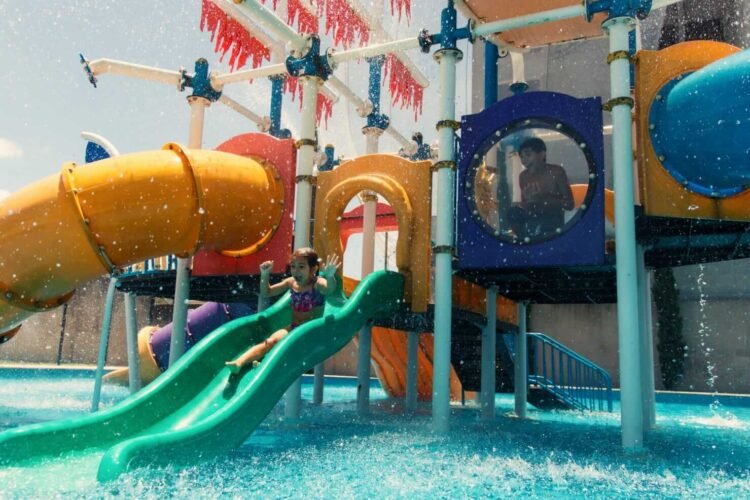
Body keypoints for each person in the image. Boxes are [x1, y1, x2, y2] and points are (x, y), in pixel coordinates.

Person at [225, 247, 340, 374]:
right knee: (270, 342)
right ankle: (239, 362)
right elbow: (267, 292)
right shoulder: (291, 283)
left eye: (301, 267)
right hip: (293, 328)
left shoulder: (317, 283)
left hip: (311, 331)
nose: (296, 271)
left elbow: (330, 289)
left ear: (313, 269)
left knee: (284, 348)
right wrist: (265, 274)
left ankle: (264, 363)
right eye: (293, 266)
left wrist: (330, 277)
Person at [508, 137, 575, 238]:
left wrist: (543, 200)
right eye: (521, 157)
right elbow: (527, 207)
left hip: (552, 220)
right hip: (532, 219)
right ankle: (525, 241)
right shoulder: (523, 176)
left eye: (528, 155)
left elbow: (569, 204)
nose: (524, 161)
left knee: (540, 228)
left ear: (542, 154)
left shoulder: (556, 172)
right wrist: (527, 202)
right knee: (513, 213)